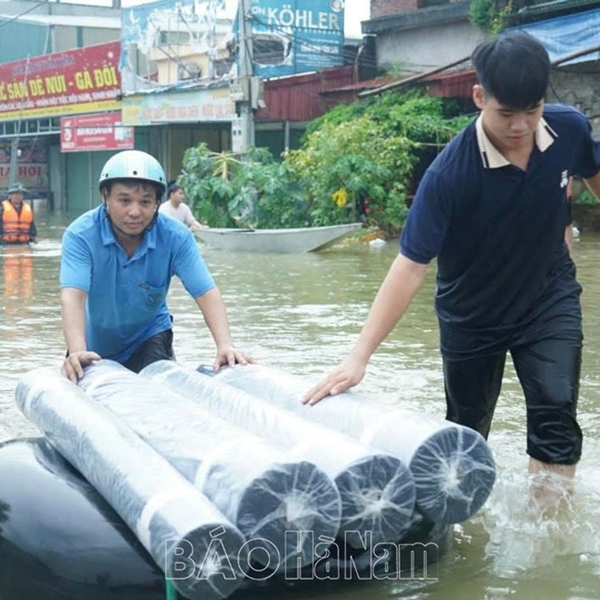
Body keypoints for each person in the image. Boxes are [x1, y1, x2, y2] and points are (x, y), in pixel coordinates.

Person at [304, 32, 600, 504]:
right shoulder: (449, 176)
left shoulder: (569, 129)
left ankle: (551, 546)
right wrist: (358, 357)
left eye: (533, 109)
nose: (521, 125)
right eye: (507, 113)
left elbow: (592, 171)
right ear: (479, 97)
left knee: (556, 413)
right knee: (466, 433)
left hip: (549, 298)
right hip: (472, 316)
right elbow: (409, 267)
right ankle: (464, 528)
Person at [60, 150, 251, 383]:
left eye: (145, 202)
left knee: (158, 396)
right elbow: (73, 296)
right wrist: (77, 350)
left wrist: (225, 345)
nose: (134, 211)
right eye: (124, 200)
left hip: (148, 336)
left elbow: (205, 292)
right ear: (105, 196)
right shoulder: (81, 235)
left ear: (157, 203)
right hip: (93, 343)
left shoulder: (176, 237)